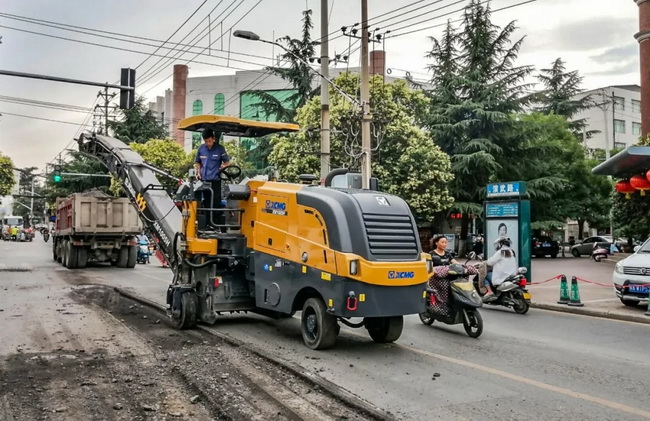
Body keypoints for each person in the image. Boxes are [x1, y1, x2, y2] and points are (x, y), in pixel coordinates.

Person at [194, 128, 230, 227]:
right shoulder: (201, 149)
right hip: (204, 181)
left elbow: (227, 163)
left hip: (215, 181)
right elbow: (198, 162)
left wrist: (221, 167)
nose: (208, 143)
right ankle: (206, 225)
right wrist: (198, 172)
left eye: (209, 141)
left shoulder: (220, 149)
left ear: (213, 139)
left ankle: (216, 225)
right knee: (205, 203)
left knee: (215, 203)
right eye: (206, 141)